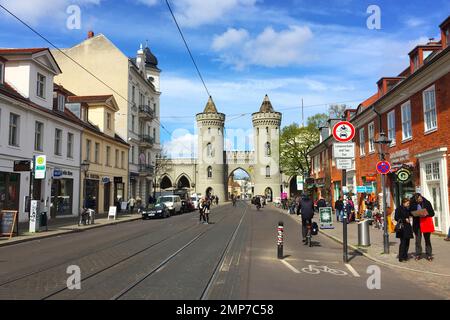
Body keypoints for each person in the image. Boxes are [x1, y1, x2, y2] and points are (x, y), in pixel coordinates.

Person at [410, 193, 435, 261]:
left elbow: (432, 213)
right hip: (417, 224)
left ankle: (429, 254)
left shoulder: (427, 203)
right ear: (415, 200)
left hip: (425, 223)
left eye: (420, 198)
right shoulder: (413, 204)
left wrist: (425, 214)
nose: (419, 200)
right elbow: (410, 212)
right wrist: (416, 214)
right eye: (418, 200)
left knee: (427, 240)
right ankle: (418, 254)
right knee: (418, 240)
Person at [394, 198, 414, 262]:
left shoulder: (408, 208)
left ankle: (405, 256)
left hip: (407, 227)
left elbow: (410, 214)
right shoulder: (398, 209)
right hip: (402, 228)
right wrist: (404, 219)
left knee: (407, 242)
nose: (408, 204)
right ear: (403, 203)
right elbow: (396, 218)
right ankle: (401, 257)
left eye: (409, 203)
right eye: (407, 203)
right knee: (403, 242)